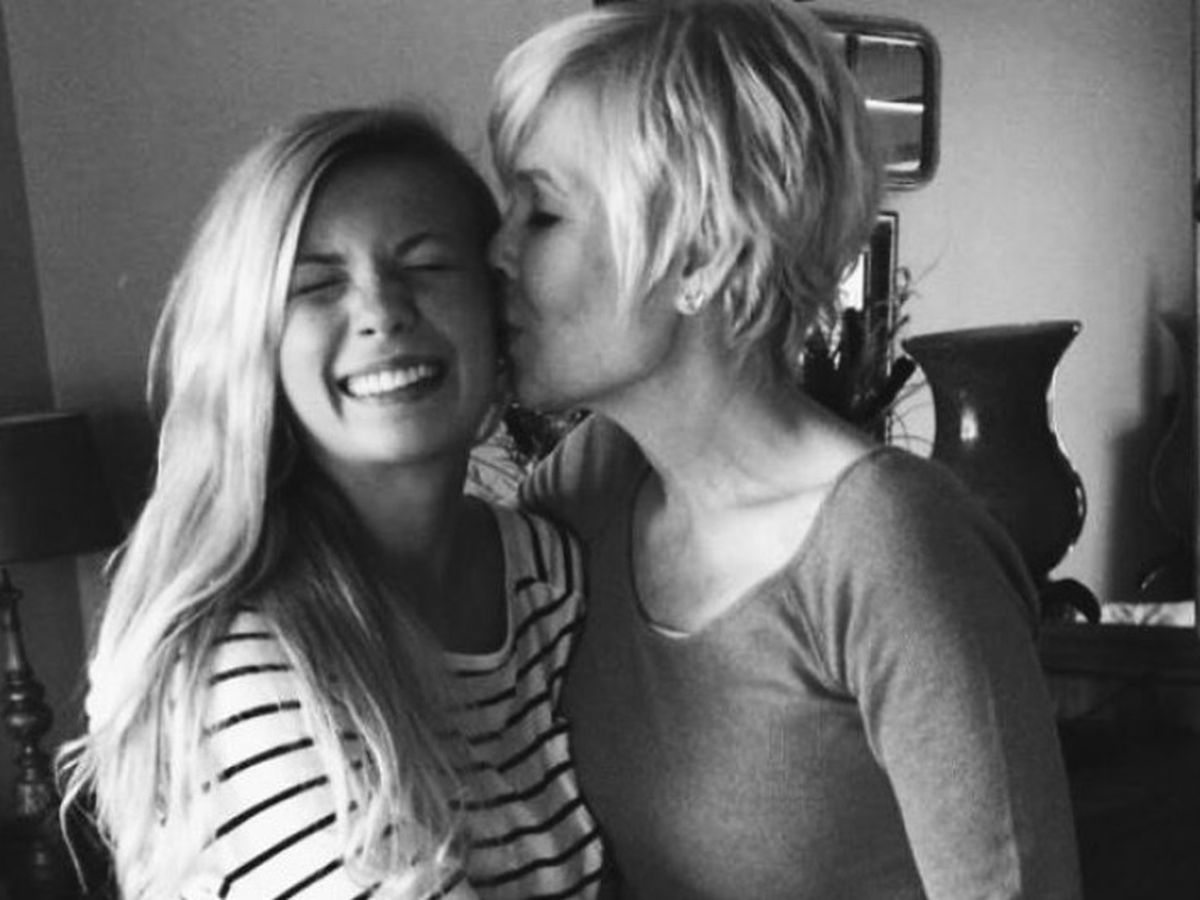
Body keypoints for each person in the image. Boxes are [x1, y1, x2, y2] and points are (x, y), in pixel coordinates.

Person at [487, 1, 1083, 898]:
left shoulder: (888, 544)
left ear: (701, 257)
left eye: (541, 215)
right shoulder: (595, 483)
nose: (496, 252)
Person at [60, 107, 605, 900]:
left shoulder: (548, 570)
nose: (382, 310)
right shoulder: (242, 654)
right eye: (316, 285)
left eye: (427, 266)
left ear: (498, 308)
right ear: (255, 346)